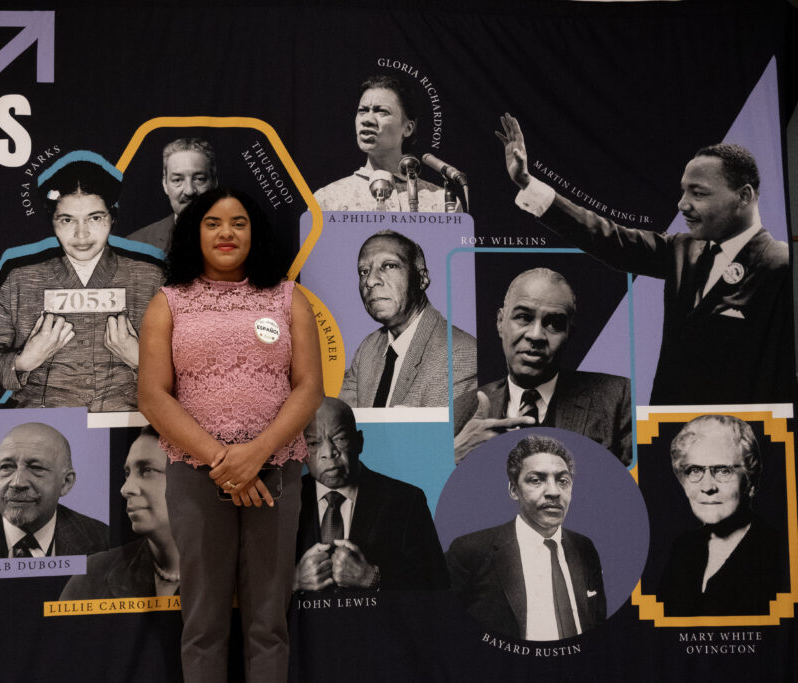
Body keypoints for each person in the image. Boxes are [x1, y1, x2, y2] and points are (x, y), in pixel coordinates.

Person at [138, 187, 322, 682]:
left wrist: (255, 455)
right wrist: (225, 461)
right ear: (194, 234)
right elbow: (153, 397)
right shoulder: (168, 303)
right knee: (203, 622)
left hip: (275, 473)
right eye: (213, 223)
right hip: (197, 476)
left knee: (268, 623)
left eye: (239, 223)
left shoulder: (288, 298)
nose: (226, 233)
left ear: (254, 233)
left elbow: (309, 389)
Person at [497, 113, 792, 405]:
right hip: (667, 432)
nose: (683, 204)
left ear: (743, 196)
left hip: (742, 437)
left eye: (698, 193)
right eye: (683, 190)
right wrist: (527, 183)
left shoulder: (780, 265)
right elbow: (608, 238)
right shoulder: (682, 249)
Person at [0, 155, 165, 412]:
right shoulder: (20, 279)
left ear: (113, 217)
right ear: (53, 222)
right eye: (67, 220)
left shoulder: (150, 278)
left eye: (95, 218)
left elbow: (191, 368)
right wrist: (23, 361)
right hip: (44, 424)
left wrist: (142, 360)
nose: (81, 233)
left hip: (130, 424)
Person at [453, 268, 632, 466]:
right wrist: (453, 456)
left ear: (569, 333)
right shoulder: (461, 409)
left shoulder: (618, 398)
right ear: (500, 322)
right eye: (523, 317)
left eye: (554, 323)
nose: (536, 335)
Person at [446, 435, 606, 640]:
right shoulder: (470, 551)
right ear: (514, 490)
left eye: (563, 481)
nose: (554, 492)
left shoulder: (585, 548)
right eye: (536, 480)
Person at [294, 397, 448, 591]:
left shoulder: (407, 501)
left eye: (340, 439)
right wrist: (293, 582)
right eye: (314, 443)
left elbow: (437, 587)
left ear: (359, 442)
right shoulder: (282, 503)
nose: (328, 452)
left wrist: (372, 578)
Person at [656, 415, 784, 616]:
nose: (707, 487)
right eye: (695, 470)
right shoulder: (683, 548)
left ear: (750, 481)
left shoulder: (778, 552)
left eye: (723, 471)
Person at [338, 230, 476, 408]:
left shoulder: (459, 355)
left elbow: (435, 436)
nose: (370, 281)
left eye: (389, 265)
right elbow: (335, 414)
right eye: (364, 271)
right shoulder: (369, 347)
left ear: (422, 279)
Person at [0, 422, 109, 560]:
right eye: (6, 467)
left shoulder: (102, 540)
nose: (17, 482)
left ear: (66, 483)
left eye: (36, 468)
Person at [60, 426, 180, 599]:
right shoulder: (92, 576)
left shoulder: (227, 568)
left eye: (147, 470)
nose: (125, 489)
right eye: (127, 473)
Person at [314, 74, 456, 212]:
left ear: (407, 128)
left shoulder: (441, 202)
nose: (367, 120)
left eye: (381, 111)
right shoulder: (328, 200)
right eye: (362, 111)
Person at [125, 138, 218, 253]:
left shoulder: (242, 239)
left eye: (199, 179)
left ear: (214, 183)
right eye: (177, 179)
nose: (189, 191)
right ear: (165, 184)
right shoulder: (135, 245)